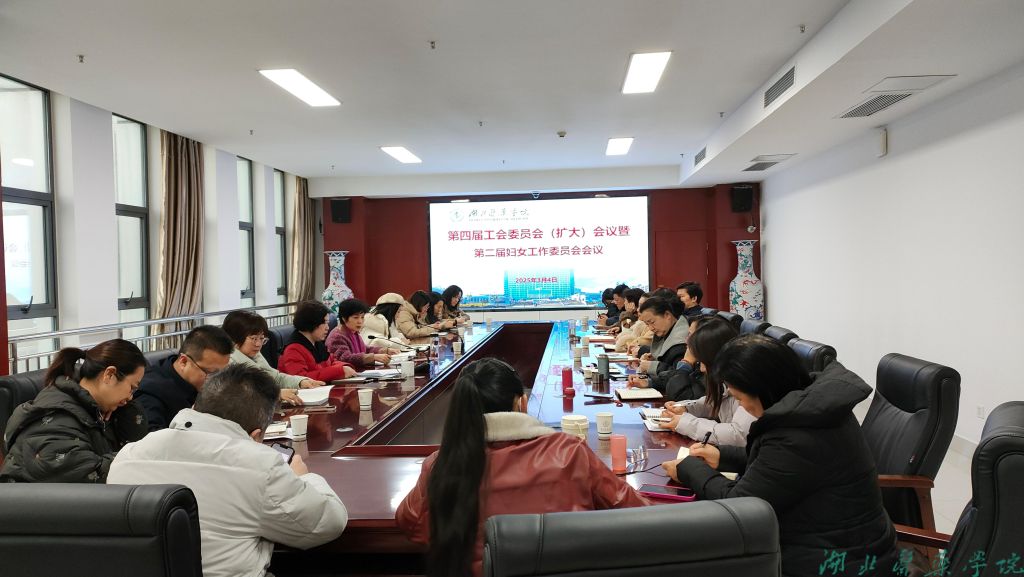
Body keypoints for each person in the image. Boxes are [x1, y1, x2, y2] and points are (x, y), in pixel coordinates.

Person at [660, 335, 898, 576]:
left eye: (740, 399)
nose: (742, 407)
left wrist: (689, 468)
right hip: (848, 543)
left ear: (762, 389)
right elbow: (785, 468)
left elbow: (742, 506)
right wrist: (722, 456)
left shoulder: (798, 434)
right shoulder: (815, 408)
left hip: (836, 561)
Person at [396, 358, 648, 577]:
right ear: (522, 403)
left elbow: (411, 523)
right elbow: (635, 513)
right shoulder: (569, 451)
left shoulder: (443, 463)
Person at [108, 364, 348, 577]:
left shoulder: (128, 455)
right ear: (256, 435)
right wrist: (304, 477)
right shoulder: (261, 466)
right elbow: (328, 523)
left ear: (195, 406)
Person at [1, 339, 147, 483]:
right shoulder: (56, 420)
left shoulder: (97, 411)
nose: (130, 397)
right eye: (132, 388)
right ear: (109, 374)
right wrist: (140, 455)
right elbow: (89, 476)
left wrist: (127, 408)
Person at [654, 317, 755, 444]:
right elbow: (718, 402)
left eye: (703, 362)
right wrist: (687, 408)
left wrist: (685, 423)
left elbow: (739, 434)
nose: (701, 368)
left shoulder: (746, 381)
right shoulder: (729, 376)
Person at [135, 325, 234, 432]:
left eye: (222, 373)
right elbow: (151, 438)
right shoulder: (151, 392)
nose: (216, 381)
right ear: (183, 361)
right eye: (211, 373)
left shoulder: (208, 382)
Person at [222, 310, 323, 405]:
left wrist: (301, 382)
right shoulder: (227, 362)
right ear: (235, 338)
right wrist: (276, 394)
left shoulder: (254, 354)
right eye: (254, 338)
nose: (258, 344)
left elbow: (276, 378)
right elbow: (241, 396)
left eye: (262, 338)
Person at [279, 300, 357, 382]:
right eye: (325, 323)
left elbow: (332, 361)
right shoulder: (293, 349)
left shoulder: (317, 343)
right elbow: (301, 379)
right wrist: (339, 371)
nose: (327, 327)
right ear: (312, 322)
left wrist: (345, 367)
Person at [627, 295, 688, 391]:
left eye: (652, 322)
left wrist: (652, 366)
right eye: (647, 324)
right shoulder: (667, 331)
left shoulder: (681, 342)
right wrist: (651, 360)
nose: (650, 328)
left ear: (667, 315)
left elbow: (680, 375)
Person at [325, 298, 401, 369]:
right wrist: (373, 357)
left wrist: (385, 350)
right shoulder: (337, 336)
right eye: (356, 317)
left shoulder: (353, 332)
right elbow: (346, 358)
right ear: (344, 318)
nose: (360, 321)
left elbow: (365, 349)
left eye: (362, 317)